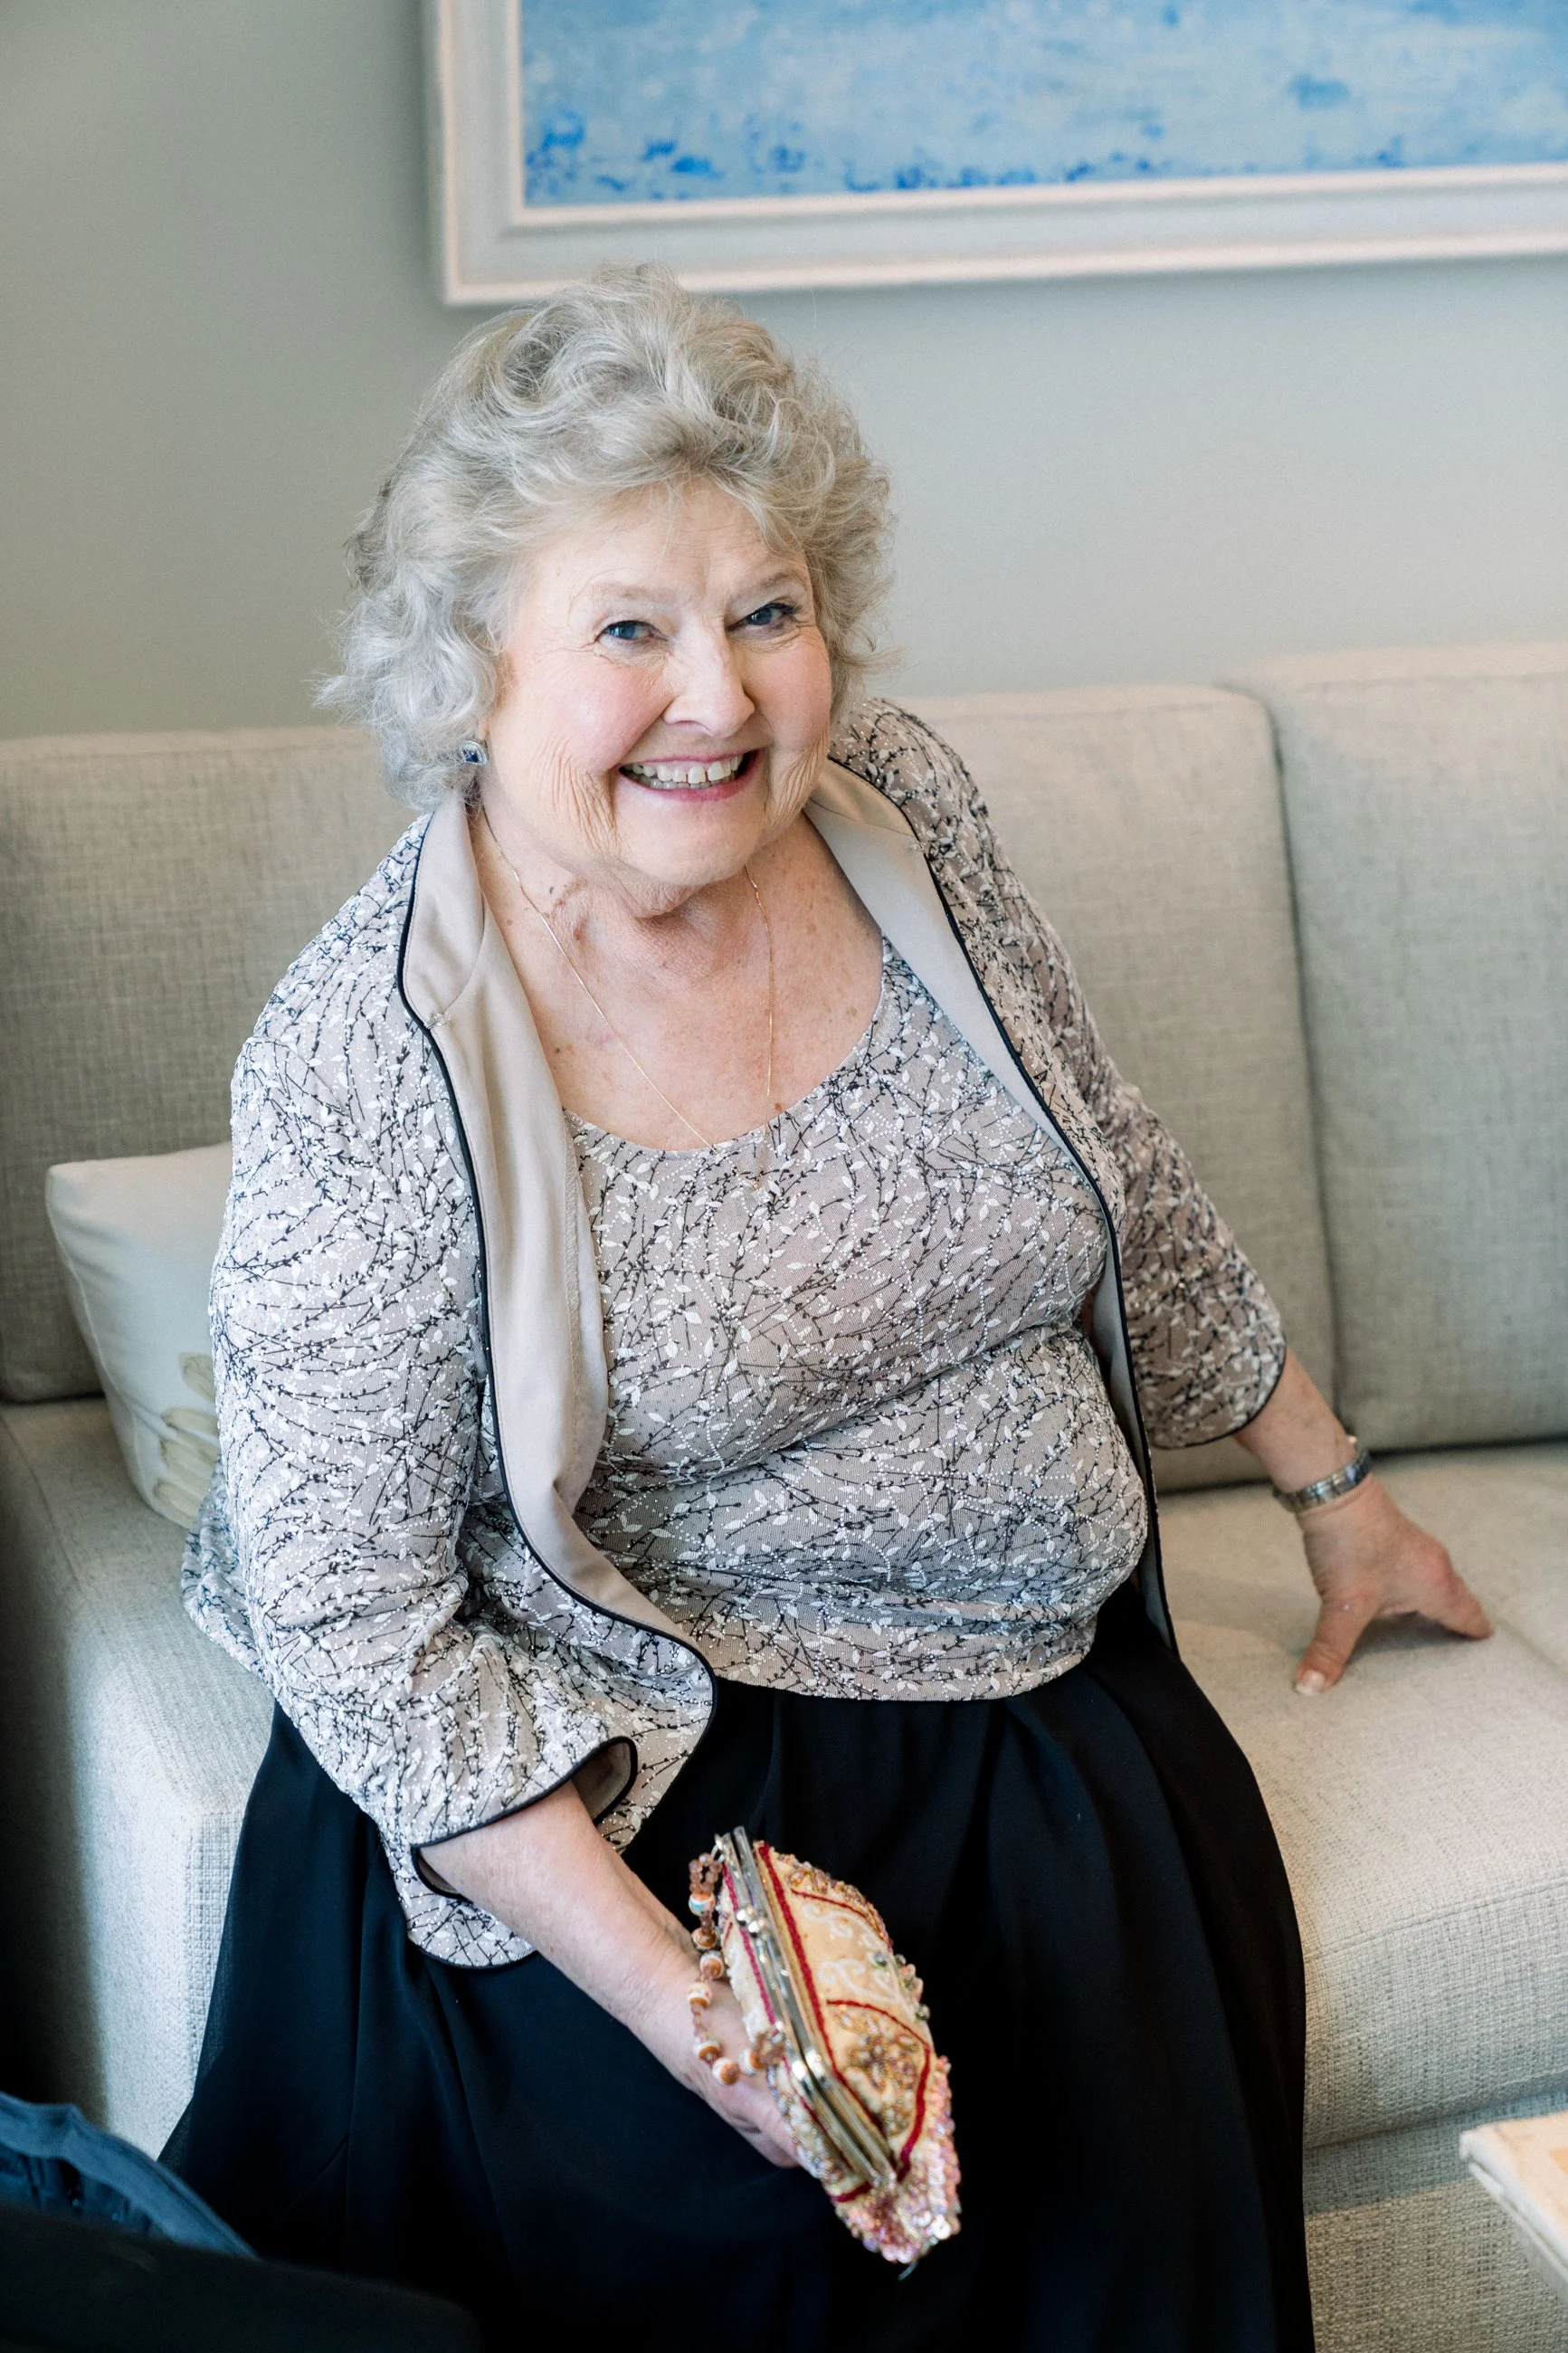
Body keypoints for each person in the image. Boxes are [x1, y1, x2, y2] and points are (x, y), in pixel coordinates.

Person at [166, 267, 1490, 2350]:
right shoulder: (370, 1058)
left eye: (763, 611)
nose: (716, 697)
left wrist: (1330, 1487)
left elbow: (1108, 1169)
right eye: (628, 629)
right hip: (641, 1768)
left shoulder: (895, 811)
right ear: (470, 667)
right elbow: (352, 1621)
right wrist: (693, 2014)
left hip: (1038, 1710)